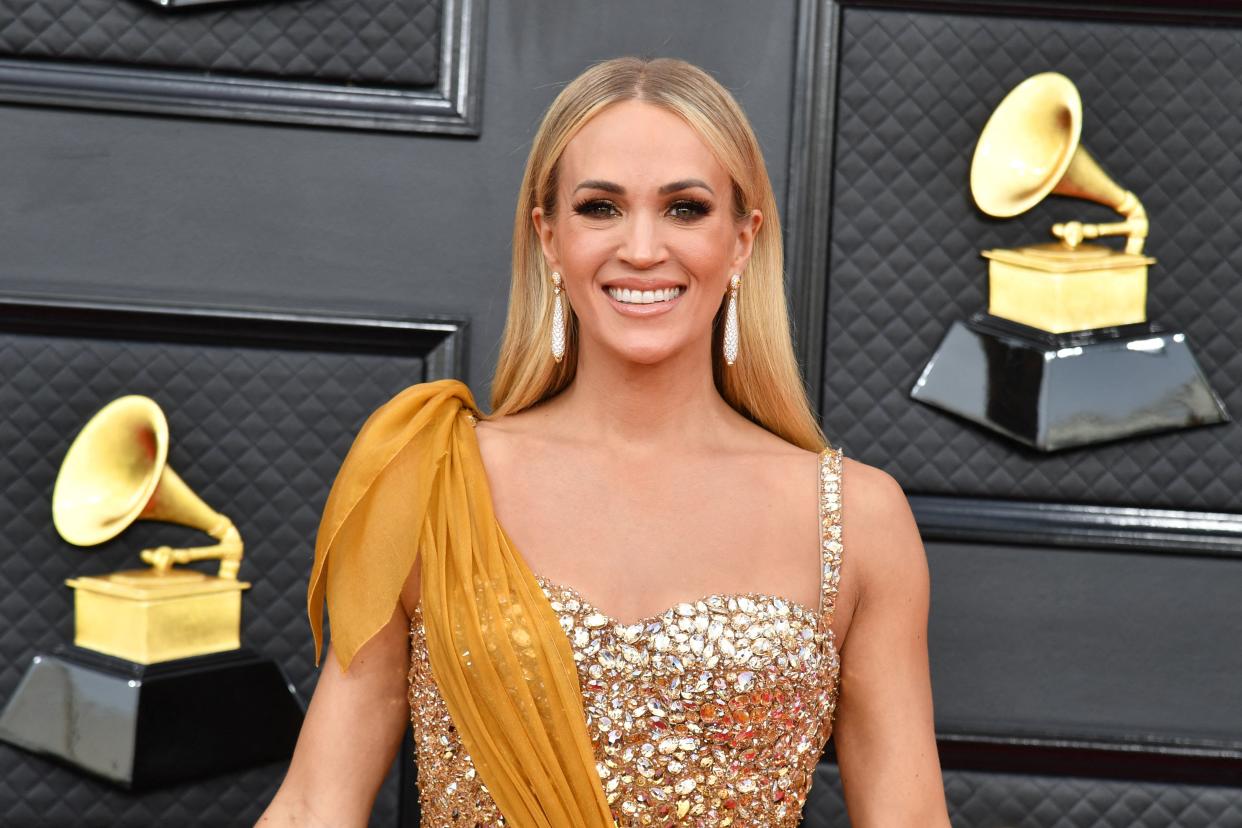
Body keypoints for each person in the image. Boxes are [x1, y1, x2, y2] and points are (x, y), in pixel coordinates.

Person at [258, 56, 949, 827]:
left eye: (686, 208)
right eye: (600, 208)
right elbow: (317, 803)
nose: (644, 248)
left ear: (744, 241)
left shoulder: (860, 519)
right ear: (549, 238)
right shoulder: (428, 478)